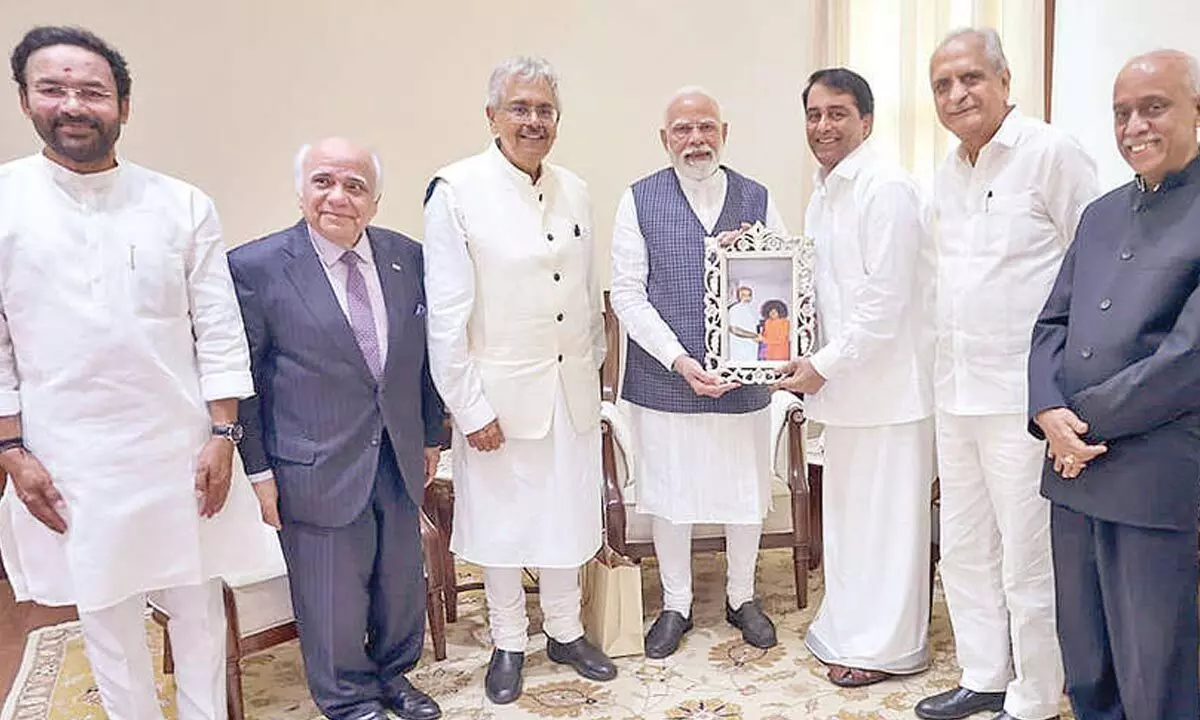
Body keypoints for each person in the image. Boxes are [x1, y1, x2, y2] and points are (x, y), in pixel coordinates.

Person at [0, 26, 276, 720]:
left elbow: (218, 328)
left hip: (179, 444)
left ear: (122, 105)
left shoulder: (181, 204)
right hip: (69, 454)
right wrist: (10, 450)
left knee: (196, 602)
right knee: (106, 609)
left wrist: (223, 435)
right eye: (53, 89)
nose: (73, 105)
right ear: (27, 100)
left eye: (92, 91)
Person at [228, 137, 446, 720]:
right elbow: (243, 377)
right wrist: (258, 470)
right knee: (333, 596)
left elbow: (423, 358)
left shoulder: (407, 258)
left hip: (397, 455)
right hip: (312, 461)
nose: (338, 197)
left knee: (400, 582)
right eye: (324, 181)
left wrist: (430, 436)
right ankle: (348, 698)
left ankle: (397, 675)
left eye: (355, 186)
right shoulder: (255, 267)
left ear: (374, 201)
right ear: (301, 190)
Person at [915, 28, 1098, 720]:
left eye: (970, 79)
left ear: (1004, 81)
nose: (957, 94)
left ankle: (1033, 695)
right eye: (942, 84)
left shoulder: (1049, 152)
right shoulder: (947, 168)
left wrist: (1070, 387)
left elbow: (1097, 264)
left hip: (1027, 397)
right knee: (963, 547)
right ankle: (983, 674)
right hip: (955, 391)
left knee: (1029, 559)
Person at [422, 56, 615, 705]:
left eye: (545, 111)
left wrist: (594, 376)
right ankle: (509, 642)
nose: (533, 121)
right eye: (520, 108)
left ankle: (564, 630)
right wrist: (468, 407)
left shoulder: (577, 189)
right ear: (492, 117)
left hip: (572, 391)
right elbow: (446, 318)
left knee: (565, 513)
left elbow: (588, 300)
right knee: (502, 524)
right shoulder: (455, 189)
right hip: (497, 398)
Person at [1028, 49, 1200, 720]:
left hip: (1154, 468)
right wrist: (1047, 407)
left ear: (1195, 111)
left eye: (1153, 108)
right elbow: (1053, 321)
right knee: (1087, 653)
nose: (1134, 126)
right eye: (1122, 113)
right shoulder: (1100, 213)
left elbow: (1188, 357)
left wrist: (1077, 426)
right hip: (1071, 469)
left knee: (1154, 657)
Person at [610, 86, 787, 659]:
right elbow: (628, 296)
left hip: (744, 378)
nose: (696, 139)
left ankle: (742, 596)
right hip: (666, 378)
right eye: (683, 130)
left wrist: (755, 248)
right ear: (665, 140)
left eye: (706, 127)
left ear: (724, 134)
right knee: (671, 493)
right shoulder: (638, 199)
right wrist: (678, 359)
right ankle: (676, 603)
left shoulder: (758, 197)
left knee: (744, 490)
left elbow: (780, 278)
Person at [777, 67, 935, 688]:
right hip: (842, 392)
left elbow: (885, 300)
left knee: (890, 526)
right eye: (814, 114)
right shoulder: (823, 193)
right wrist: (757, 253)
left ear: (866, 121)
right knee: (848, 523)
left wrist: (822, 365)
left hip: (891, 391)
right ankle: (847, 629)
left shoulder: (886, 187)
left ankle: (888, 647)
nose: (823, 126)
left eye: (837, 113)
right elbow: (815, 289)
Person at [727, 286, 759, 361]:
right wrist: (754, 335)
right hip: (739, 346)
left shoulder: (751, 310)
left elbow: (756, 327)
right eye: (743, 295)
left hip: (751, 346)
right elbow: (734, 330)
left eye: (749, 295)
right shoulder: (735, 309)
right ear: (739, 297)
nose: (747, 298)